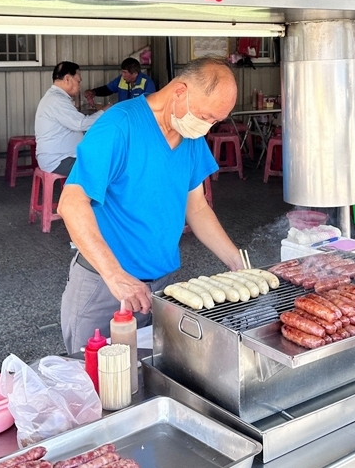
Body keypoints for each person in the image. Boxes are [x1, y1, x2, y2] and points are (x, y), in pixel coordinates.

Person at [59, 56, 243, 354]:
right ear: (180, 92)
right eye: (206, 116)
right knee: (96, 379)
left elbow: (195, 208)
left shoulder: (190, 137)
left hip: (161, 286)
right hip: (105, 285)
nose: (207, 128)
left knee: (148, 376)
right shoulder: (119, 126)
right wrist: (115, 276)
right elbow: (71, 203)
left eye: (215, 121)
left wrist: (237, 262)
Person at [35, 62, 104, 176]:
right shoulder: (57, 100)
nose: (80, 85)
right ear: (67, 79)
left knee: (104, 160)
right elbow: (80, 124)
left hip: (63, 156)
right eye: (78, 81)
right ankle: (87, 193)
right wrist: (103, 112)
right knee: (105, 167)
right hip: (59, 160)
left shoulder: (56, 97)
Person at [84, 57, 156, 106]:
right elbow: (108, 89)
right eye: (122, 72)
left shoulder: (147, 83)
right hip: (124, 116)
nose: (123, 75)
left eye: (125, 72)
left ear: (135, 73)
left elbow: (151, 104)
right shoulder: (121, 80)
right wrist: (93, 92)